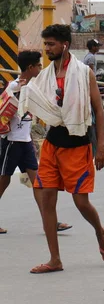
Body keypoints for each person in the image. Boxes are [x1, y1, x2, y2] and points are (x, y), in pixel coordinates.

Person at [18, 24, 104, 274]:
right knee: (46, 199)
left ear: (64, 45)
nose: (47, 49)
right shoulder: (45, 76)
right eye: (45, 44)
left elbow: (98, 110)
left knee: (81, 202)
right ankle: (55, 259)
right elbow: (37, 99)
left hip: (79, 145)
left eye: (51, 44)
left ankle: (100, 232)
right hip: (52, 144)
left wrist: (100, 146)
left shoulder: (84, 74)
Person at [0, 51, 72, 235]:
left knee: (38, 183)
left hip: (25, 142)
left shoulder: (33, 86)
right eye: (38, 65)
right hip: (11, 143)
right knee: (3, 182)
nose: (40, 68)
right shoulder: (15, 86)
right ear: (30, 67)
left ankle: (51, 222)